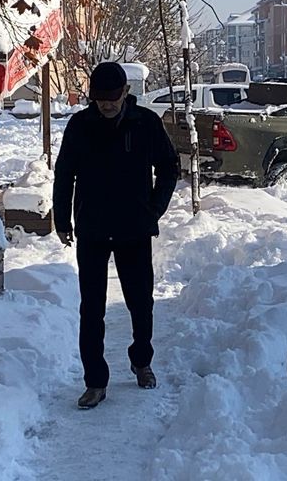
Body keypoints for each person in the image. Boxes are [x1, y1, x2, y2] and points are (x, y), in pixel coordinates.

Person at [53, 62, 179, 410]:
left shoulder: (146, 124)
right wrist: (62, 219)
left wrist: (154, 208)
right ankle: (95, 381)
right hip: (92, 228)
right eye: (100, 99)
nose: (106, 105)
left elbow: (169, 167)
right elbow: (64, 174)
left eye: (112, 98)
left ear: (126, 93)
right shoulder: (80, 126)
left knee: (140, 302)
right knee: (91, 308)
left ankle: (142, 361)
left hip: (134, 228)